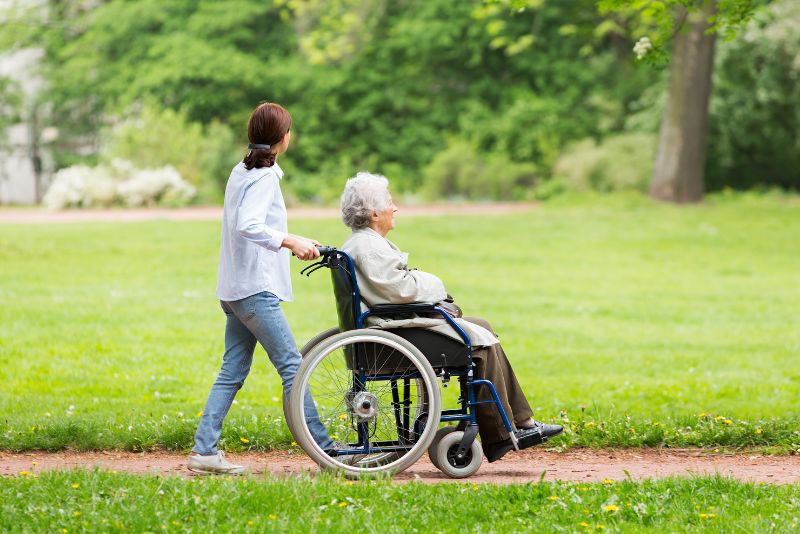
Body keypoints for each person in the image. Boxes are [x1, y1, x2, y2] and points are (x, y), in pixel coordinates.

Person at [339, 172, 563, 462]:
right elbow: (400, 290)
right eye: (390, 203)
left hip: (390, 328)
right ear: (373, 213)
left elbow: (392, 289)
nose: (395, 208)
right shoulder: (368, 248)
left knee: (481, 327)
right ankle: (506, 432)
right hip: (393, 335)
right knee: (478, 340)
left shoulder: (361, 244)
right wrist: (434, 284)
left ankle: (519, 423)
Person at [188, 102, 333, 475]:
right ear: (283, 137)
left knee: (233, 369)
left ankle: (204, 451)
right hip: (253, 291)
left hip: (235, 289)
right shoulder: (264, 177)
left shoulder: (242, 171)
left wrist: (292, 238)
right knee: (293, 368)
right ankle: (330, 451)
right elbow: (248, 225)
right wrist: (289, 240)